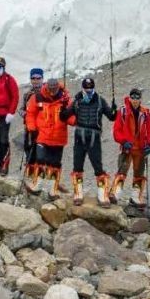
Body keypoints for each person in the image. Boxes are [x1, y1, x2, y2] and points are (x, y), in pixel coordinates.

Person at [60, 77, 116, 206]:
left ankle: (102, 194)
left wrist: (114, 110)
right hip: (80, 136)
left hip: (94, 137)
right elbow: (64, 117)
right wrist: (63, 108)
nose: (89, 91)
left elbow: (111, 117)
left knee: (98, 166)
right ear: (83, 88)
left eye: (91, 88)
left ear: (94, 88)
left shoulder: (100, 101)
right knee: (77, 165)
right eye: (86, 88)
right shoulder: (77, 101)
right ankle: (78, 193)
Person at [23, 77, 72, 199]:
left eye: (55, 89)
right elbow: (30, 114)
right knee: (40, 159)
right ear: (47, 87)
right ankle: (36, 186)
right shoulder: (38, 97)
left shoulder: (65, 99)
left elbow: (72, 119)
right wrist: (32, 129)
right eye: (50, 89)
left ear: (58, 87)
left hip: (58, 137)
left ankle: (52, 190)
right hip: (42, 135)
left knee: (55, 163)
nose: (52, 91)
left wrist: (68, 114)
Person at [111, 87, 150, 206]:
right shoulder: (123, 111)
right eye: (133, 97)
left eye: (137, 98)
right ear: (129, 98)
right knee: (122, 170)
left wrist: (149, 144)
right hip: (127, 147)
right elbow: (116, 130)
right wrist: (123, 141)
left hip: (140, 148)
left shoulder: (146, 113)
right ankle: (115, 194)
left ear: (140, 99)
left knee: (139, 174)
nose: (135, 100)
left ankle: (135, 197)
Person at [19, 68, 44, 187]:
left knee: (42, 153)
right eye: (33, 78)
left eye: (38, 78)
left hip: (43, 130)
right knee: (29, 151)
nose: (35, 81)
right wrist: (23, 113)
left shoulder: (48, 92)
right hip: (29, 128)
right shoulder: (27, 94)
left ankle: (40, 178)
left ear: (42, 78)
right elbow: (22, 109)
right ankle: (30, 177)